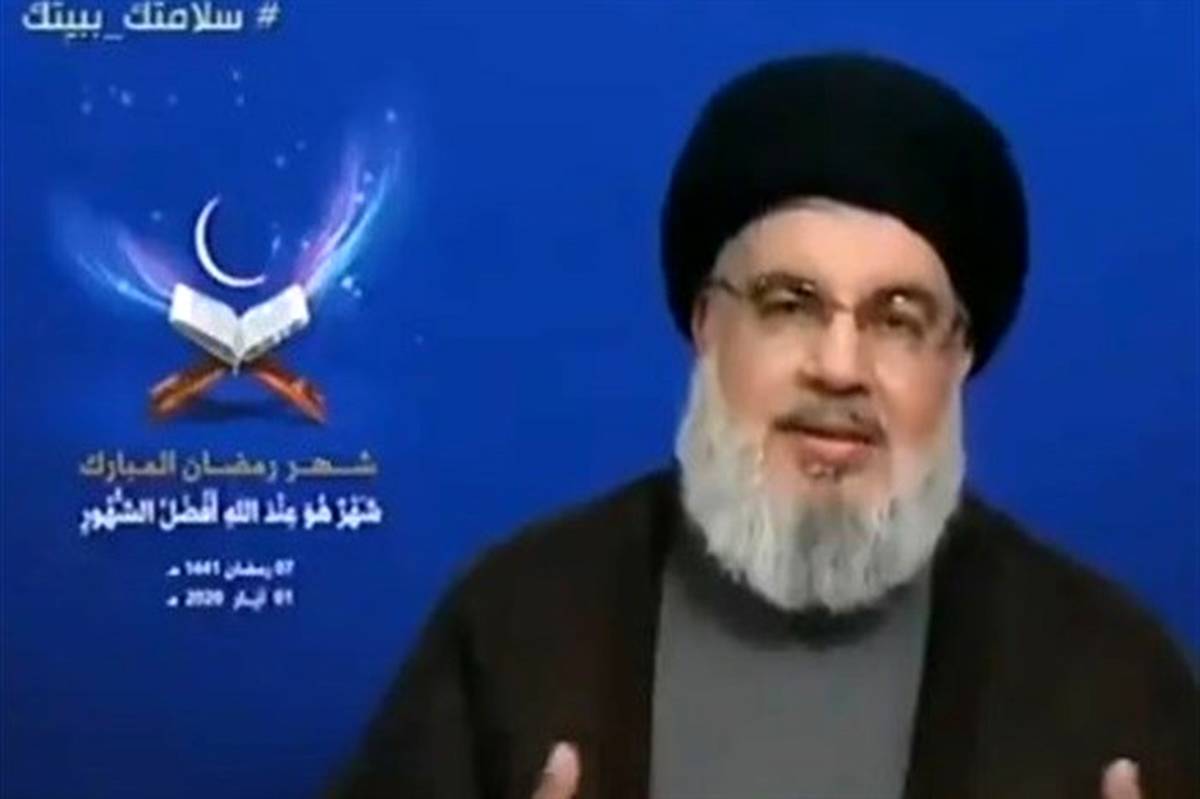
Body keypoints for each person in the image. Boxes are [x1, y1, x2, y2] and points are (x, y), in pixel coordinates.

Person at [330, 52, 1198, 799]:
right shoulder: (516, 628)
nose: (840, 364)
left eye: (898, 318)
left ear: (960, 353)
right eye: (790, 304)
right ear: (707, 324)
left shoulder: (1109, 674)